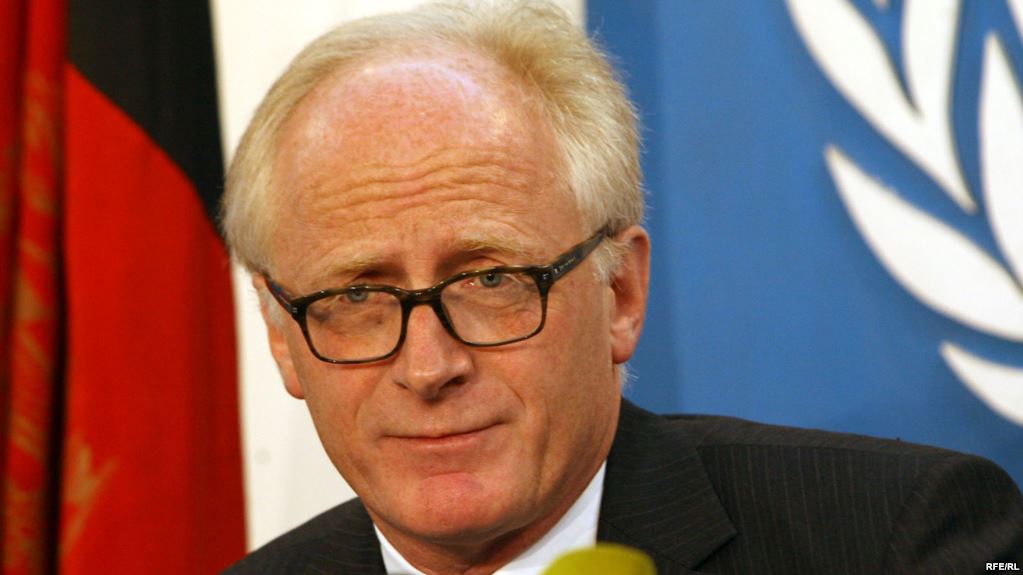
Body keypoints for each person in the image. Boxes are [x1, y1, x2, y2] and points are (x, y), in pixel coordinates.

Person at [221, 2, 1023, 573]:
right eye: (357, 298)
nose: (428, 367)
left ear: (622, 293)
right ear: (281, 336)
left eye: (490, 278)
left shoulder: (899, 539)